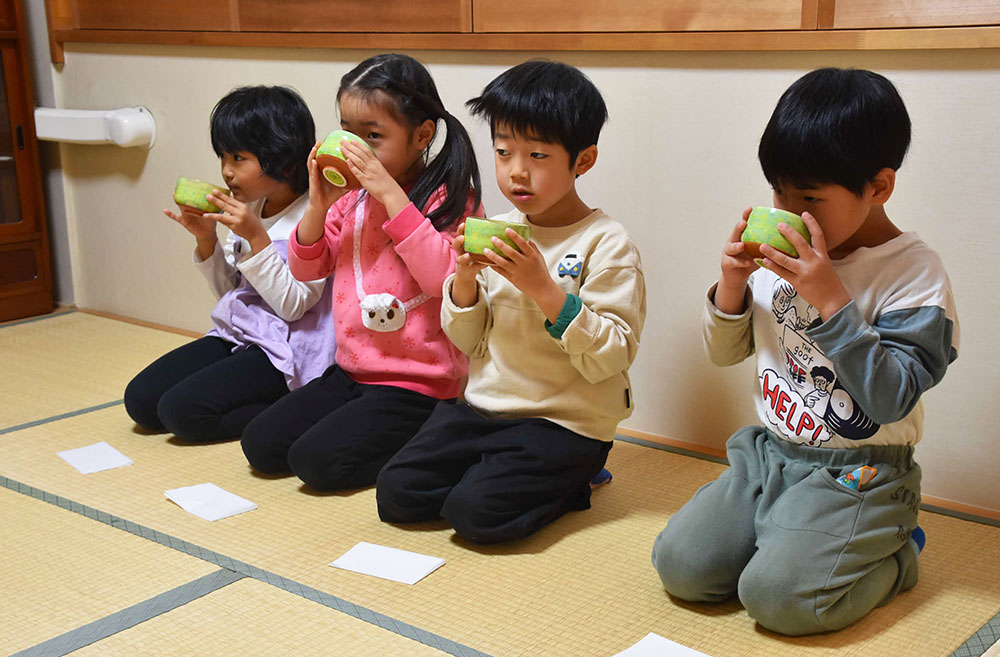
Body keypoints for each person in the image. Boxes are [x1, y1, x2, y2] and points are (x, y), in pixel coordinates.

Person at [651, 67, 960, 636]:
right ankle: (791, 538)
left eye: (810, 196)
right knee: (683, 568)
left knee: (781, 602)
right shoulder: (781, 258)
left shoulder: (914, 275)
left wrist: (831, 300)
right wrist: (732, 285)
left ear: (879, 187)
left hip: (860, 473)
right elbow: (725, 354)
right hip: (769, 454)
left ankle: (896, 554)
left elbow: (890, 398)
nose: (789, 210)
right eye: (779, 190)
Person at [376, 60, 646, 544]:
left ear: (582, 160)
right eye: (503, 153)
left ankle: (575, 482)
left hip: (565, 422)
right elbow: (470, 342)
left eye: (538, 156)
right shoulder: (497, 228)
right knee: (397, 493)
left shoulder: (607, 242)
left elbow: (612, 356)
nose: (516, 172)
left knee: (476, 516)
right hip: (487, 408)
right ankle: (495, 468)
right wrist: (462, 279)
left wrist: (543, 288)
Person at [240, 53, 482, 491]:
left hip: (419, 385)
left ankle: (439, 434)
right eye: (348, 132)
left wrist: (390, 195)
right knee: (262, 444)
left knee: (314, 464)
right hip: (351, 371)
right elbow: (307, 267)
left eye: (373, 136)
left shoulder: (448, 197)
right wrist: (318, 204)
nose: (356, 147)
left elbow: (444, 281)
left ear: (421, 135)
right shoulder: (350, 200)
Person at [124, 85, 335, 443]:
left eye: (238, 158)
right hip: (240, 334)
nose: (226, 172)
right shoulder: (249, 210)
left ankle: (290, 404)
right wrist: (206, 240)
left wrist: (257, 239)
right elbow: (233, 295)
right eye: (223, 157)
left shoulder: (314, 217)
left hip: (286, 347)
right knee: (142, 401)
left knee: (182, 413)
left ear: (282, 159)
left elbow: (294, 308)